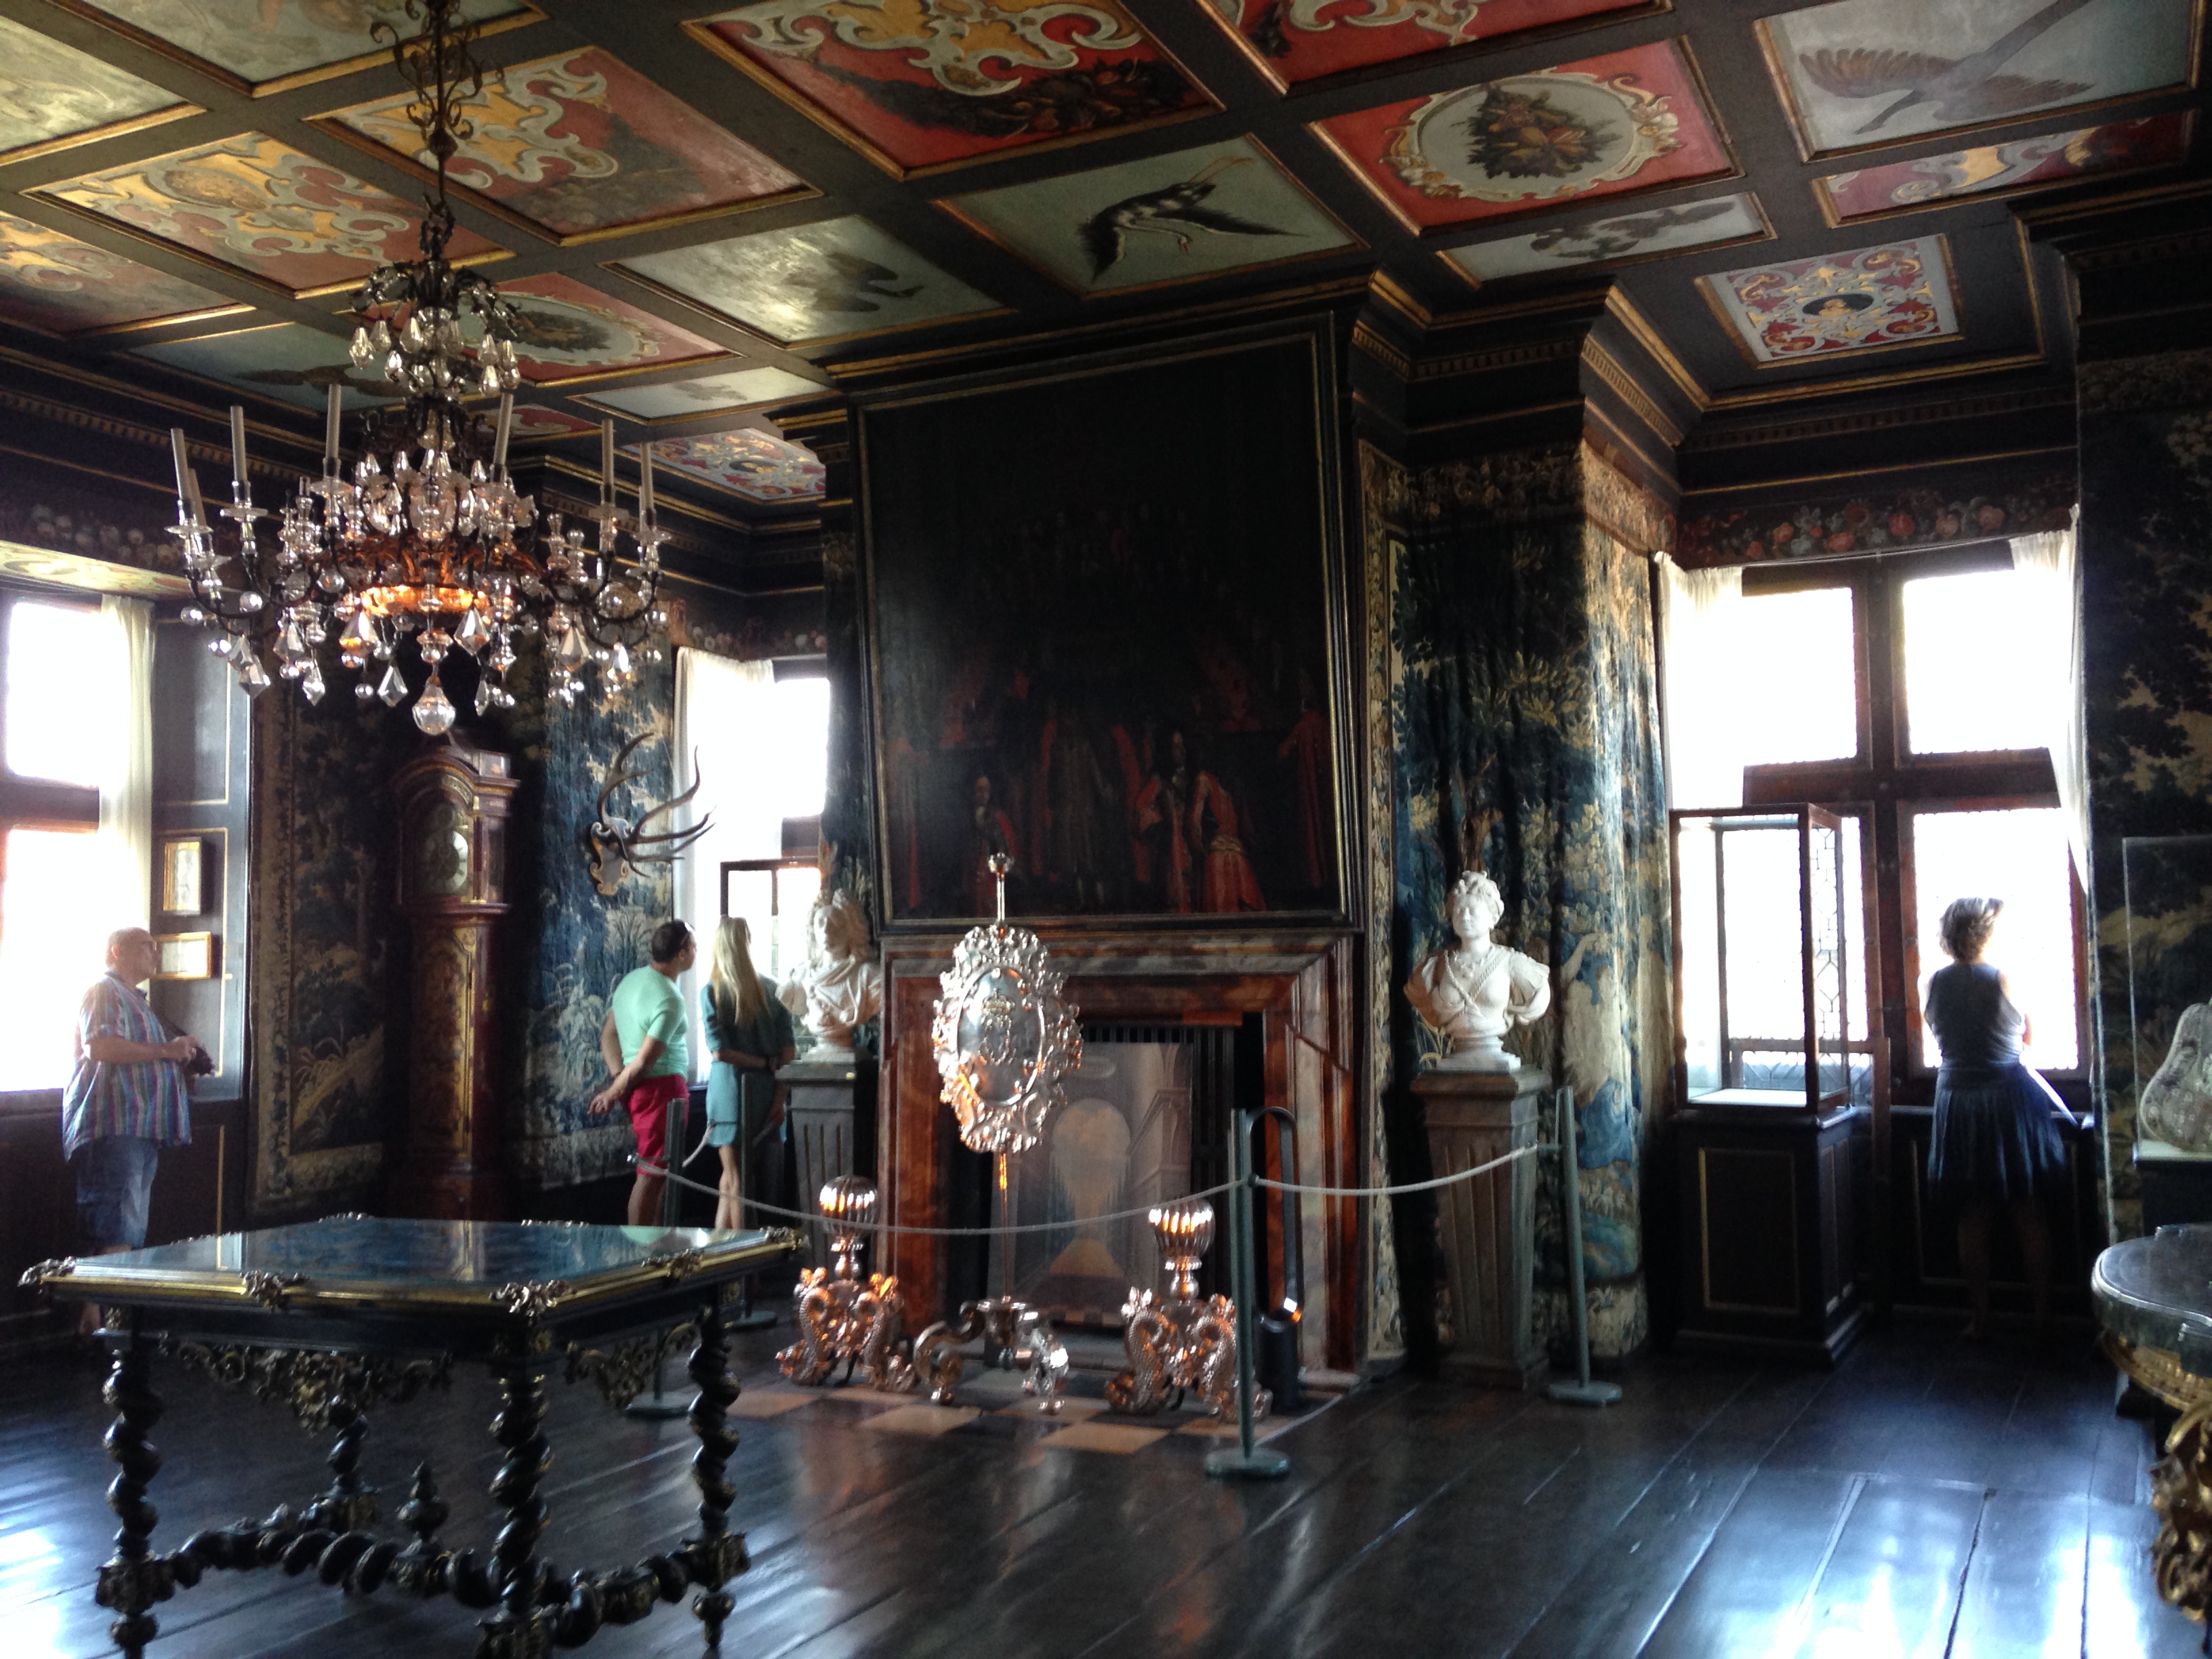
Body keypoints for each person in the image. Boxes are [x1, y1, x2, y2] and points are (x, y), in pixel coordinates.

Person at [1924, 896, 2066, 1340]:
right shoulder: (2006, 978)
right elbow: (2030, 1038)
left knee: (1972, 1214)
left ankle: (1980, 1318)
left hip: (1957, 1101)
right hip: (2007, 1101)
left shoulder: (1931, 983)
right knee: (2028, 1211)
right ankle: (2042, 1318)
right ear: (1985, 934)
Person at [62, 928, 206, 1336]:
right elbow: (100, 1047)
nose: (156, 954)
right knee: (115, 1224)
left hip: (140, 1128)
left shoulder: (137, 1001)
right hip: (114, 1124)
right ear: (117, 951)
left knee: (126, 1227)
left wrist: (179, 1054)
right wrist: (165, 1050)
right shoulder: (104, 991)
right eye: (148, 947)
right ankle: (102, 1321)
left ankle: (98, 1317)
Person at [590, 919, 695, 1226]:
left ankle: (654, 1243)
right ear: (681, 954)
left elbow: (608, 1035)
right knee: (651, 1175)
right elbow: (644, 1062)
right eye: (694, 947)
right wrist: (613, 1091)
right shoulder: (670, 998)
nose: (696, 953)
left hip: (638, 1090)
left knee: (658, 1174)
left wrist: (617, 1077)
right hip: (661, 1090)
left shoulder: (630, 981)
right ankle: (640, 1249)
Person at [701, 917, 796, 1231]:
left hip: (729, 1092)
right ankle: (720, 1250)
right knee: (731, 1180)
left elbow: (720, 1052)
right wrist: (778, 1097)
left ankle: (740, 1255)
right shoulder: (774, 989)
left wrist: (758, 1063)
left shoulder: (712, 991)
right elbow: (788, 1052)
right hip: (767, 1092)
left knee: (735, 1179)